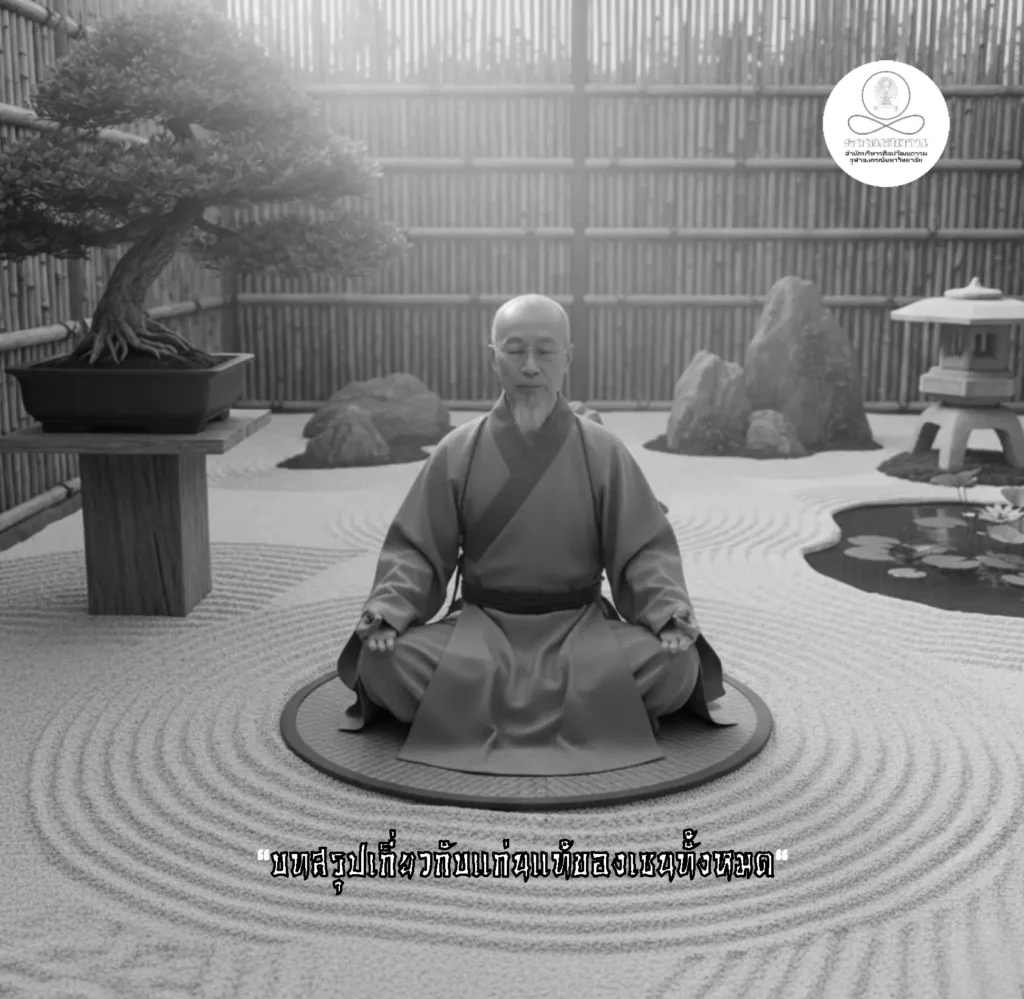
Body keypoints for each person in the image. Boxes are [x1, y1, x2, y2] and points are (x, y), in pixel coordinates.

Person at [336, 294, 738, 776]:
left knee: (676, 664)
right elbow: (417, 550)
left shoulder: (603, 451)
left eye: (545, 351)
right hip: (482, 629)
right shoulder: (458, 450)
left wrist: (667, 611)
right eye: (515, 350)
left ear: (568, 357)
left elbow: (643, 550)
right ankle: (589, 714)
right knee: (382, 663)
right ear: (494, 357)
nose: (530, 366)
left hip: (579, 630)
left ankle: (475, 714)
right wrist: (390, 609)